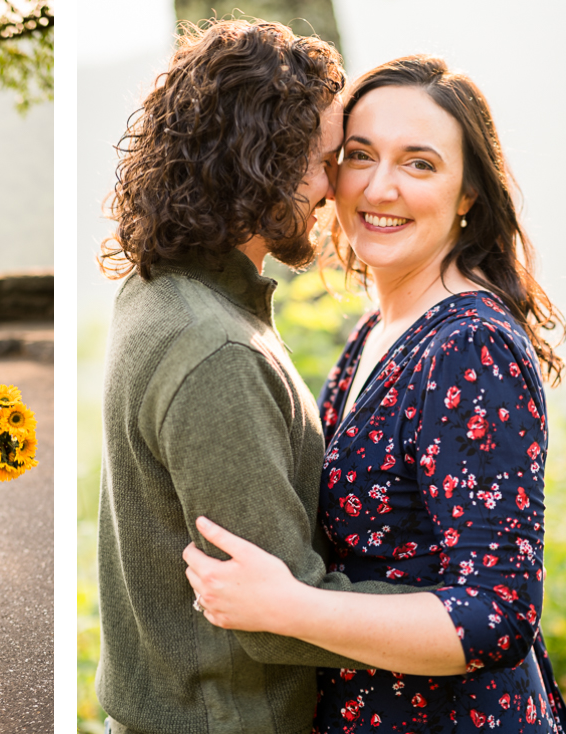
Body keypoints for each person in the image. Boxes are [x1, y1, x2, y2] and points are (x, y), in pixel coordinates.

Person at [184, 56, 566, 731]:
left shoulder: (467, 348)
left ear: (469, 193)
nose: (380, 187)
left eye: (419, 164)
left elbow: (497, 613)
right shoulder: (378, 329)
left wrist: (288, 607)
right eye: (359, 155)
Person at [95, 20, 433, 734]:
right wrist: (456, 611)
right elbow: (276, 616)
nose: (335, 186)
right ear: (260, 164)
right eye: (327, 159)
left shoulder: (161, 291)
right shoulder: (215, 349)